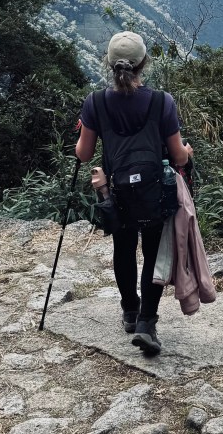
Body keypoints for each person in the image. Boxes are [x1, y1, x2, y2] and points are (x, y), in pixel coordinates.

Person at [75, 30, 193, 354]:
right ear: (144, 63)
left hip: (117, 191)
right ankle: (146, 323)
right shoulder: (161, 102)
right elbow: (178, 155)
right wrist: (187, 150)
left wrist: (84, 129)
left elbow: (83, 155)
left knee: (123, 248)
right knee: (153, 252)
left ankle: (130, 309)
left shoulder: (95, 103)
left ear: (109, 64)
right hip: (154, 191)